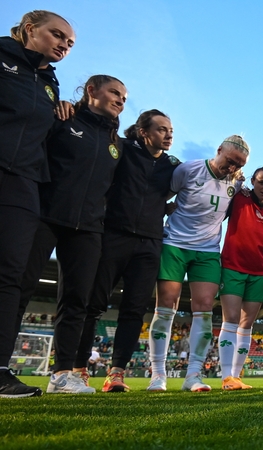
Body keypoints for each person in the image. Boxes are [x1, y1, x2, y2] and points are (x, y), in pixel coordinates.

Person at [17, 75, 127, 394]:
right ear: (91, 91)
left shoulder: (116, 143)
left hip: (89, 228)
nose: (121, 100)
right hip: (46, 216)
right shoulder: (62, 119)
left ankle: (62, 374)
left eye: (124, 97)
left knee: (76, 300)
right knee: (18, 287)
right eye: (115, 93)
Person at [75, 110, 178, 393]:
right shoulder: (121, 149)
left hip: (150, 242)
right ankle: (78, 369)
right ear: (144, 132)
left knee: (134, 309)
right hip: (113, 235)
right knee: (94, 303)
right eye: (161, 129)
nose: (168, 135)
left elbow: (199, 180)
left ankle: (116, 372)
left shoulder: (172, 165)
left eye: (170, 130)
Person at [0, 10, 74, 399]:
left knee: (11, 274)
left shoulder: (49, 84)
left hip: (24, 183)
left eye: (70, 42)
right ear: (30, 28)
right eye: (57, 35)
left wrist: (62, 116)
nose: (64, 44)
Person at [147, 135, 249, 392]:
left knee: (203, 308)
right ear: (219, 150)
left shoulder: (234, 184)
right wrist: (168, 211)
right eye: (230, 160)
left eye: (239, 164)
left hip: (207, 251)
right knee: (166, 306)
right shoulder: (187, 170)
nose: (233, 168)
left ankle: (193, 375)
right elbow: (162, 196)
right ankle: (158, 375)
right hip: (175, 245)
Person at [217, 166, 263, 390]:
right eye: (262, 182)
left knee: (247, 324)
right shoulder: (239, 198)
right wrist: (235, 184)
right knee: (231, 318)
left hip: (260, 271)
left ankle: (235, 376)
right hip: (233, 266)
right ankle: (226, 377)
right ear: (253, 181)